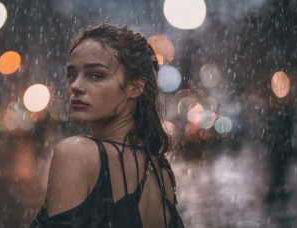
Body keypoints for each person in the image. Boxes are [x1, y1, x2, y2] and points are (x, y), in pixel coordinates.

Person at [30, 23, 184, 228]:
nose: (75, 86)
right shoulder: (161, 170)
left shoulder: (76, 153)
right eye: (72, 75)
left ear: (135, 86)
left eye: (96, 75)